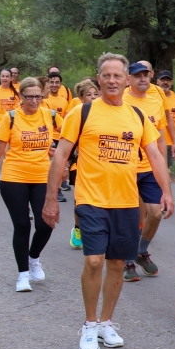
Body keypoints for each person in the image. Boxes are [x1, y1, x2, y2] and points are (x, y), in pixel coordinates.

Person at [42, 52, 172, 349]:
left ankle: (106, 322)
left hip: (126, 201)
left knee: (116, 264)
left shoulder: (137, 116)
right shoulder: (81, 113)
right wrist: (51, 199)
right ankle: (89, 324)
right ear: (98, 79)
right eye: (106, 75)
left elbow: (154, 155)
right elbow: (61, 156)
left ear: (126, 80)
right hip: (91, 199)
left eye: (117, 76)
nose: (112, 80)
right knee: (94, 261)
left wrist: (166, 191)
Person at [0, 77, 60, 292]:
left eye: (38, 96)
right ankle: (23, 275)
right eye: (29, 97)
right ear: (20, 97)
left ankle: (34, 257)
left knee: (46, 222)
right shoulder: (11, 118)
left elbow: (67, 140)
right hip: (14, 177)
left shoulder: (51, 116)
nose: (34, 101)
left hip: (42, 177)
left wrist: (59, 153)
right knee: (23, 225)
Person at [121, 61, 173, 281]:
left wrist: (163, 168)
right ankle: (127, 260)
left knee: (154, 212)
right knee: (132, 215)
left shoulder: (155, 101)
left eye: (145, 75)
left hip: (150, 167)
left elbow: (160, 138)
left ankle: (141, 251)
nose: (142, 79)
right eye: (137, 76)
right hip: (126, 167)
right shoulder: (121, 100)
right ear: (128, 79)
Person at [67, 79, 101, 250]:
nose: (93, 97)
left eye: (96, 94)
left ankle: (96, 229)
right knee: (80, 199)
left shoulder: (106, 115)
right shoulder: (77, 114)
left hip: (101, 166)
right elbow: (67, 145)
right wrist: (66, 167)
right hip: (79, 164)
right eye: (89, 95)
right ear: (81, 98)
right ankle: (78, 229)